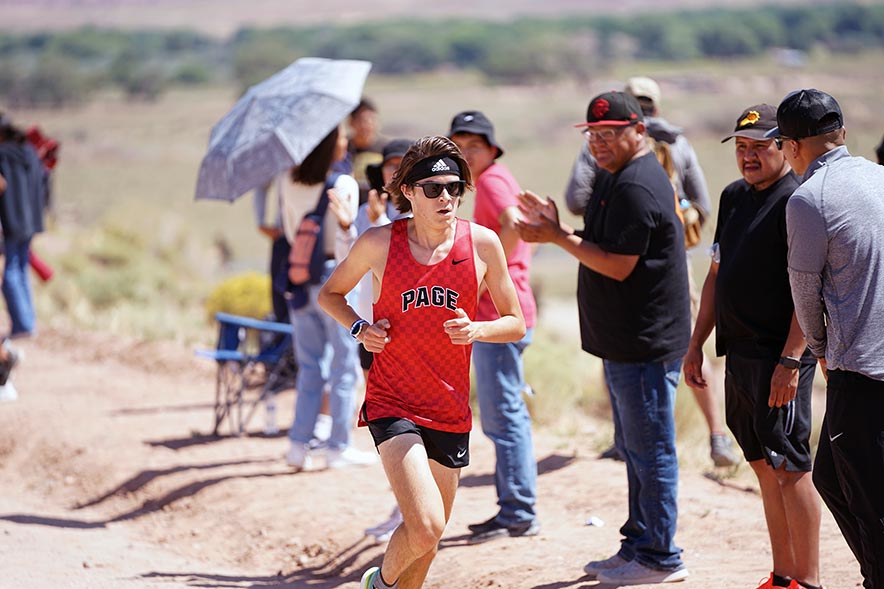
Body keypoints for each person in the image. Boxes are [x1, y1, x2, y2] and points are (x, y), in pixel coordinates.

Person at [318, 136, 525, 589]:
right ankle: (377, 585)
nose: (446, 197)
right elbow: (329, 295)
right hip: (393, 400)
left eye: (454, 187)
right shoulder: (379, 244)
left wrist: (477, 330)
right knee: (427, 525)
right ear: (408, 192)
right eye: (433, 188)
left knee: (426, 542)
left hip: (449, 409)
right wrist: (360, 329)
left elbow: (516, 322)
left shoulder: (483, 244)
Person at [516, 91, 690, 585]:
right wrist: (560, 229)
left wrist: (556, 237)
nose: (599, 143)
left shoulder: (637, 184)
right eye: (593, 134)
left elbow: (617, 265)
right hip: (625, 341)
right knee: (637, 448)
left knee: (651, 449)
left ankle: (660, 557)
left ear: (639, 131)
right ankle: (638, 543)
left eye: (610, 133)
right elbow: (606, 245)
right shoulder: (618, 176)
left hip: (646, 343)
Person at [563, 76, 737, 467]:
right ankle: (717, 436)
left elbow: (574, 197)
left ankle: (631, 438)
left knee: (652, 349)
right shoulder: (678, 142)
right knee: (688, 346)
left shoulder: (602, 147)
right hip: (672, 264)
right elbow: (704, 204)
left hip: (623, 258)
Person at [683, 103, 822, 589]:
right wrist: (696, 342)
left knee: (791, 467)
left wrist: (790, 358)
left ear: (784, 147)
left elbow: (809, 291)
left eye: (760, 147)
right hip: (738, 354)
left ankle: (808, 580)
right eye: (741, 147)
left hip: (780, 356)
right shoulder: (733, 197)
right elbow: (716, 275)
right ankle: (782, 576)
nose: (748, 156)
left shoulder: (798, 201)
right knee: (763, 466)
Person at [770, 88, 884, 588]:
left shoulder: (808, 198)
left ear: (793, 146)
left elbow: (803, 288)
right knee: (834, 479)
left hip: (857, 368)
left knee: (867, 498)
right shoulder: (880, 177)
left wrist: (818, 353)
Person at [447, 111, 539, 544]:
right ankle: (514, 509)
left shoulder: (490, 179)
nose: (466, 153)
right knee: (503, 413)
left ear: (491, 148)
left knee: (504, 417)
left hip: (500, 312)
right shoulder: (488, 177)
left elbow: (512, 223)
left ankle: (518, 512)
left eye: (474, 146)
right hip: (500, 311)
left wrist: (485, 274)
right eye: (458, 144)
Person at [277, 124, 377, 471]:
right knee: (343, 364)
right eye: (342, 137)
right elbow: (346, 237)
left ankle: (297, 445)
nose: (347, 142)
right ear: (332, 145)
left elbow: (290, 231)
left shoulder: (287, 180)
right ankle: (338, 445)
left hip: (300, 274)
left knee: (309, 366)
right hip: (337, 278)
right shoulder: (343, 183)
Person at [0, 113, 48, 338]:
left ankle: (22, 326)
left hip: (10, 220)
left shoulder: (2, 154)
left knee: (11, 271)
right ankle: (27, 323)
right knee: (20, 268)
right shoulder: (28, 151)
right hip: (29, 220)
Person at [343, 98, 386, 204]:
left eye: (371, 120)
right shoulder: (343, 148)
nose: (367, 125)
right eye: (362, 120)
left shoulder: (385, 148)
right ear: (351, 122)